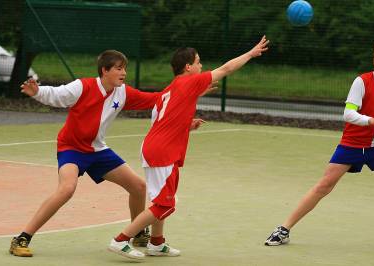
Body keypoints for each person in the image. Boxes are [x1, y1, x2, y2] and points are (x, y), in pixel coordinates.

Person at [107, 36, 269, 260]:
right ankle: (121, 240)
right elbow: (226, 68)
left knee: (160, 200)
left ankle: (156, 243)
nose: (201, 66)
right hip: (162, 151)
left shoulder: (173, 89)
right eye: (199, 62)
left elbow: (161, 116)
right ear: (188, 66)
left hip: (156, 147)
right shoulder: (188, 82)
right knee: (165, 205)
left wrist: (186, 125)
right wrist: (251, 54)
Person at [9, 50, 160, 257]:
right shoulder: (83, 86)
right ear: (104, 71)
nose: (124, 72)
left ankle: (139, 233)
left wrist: (188, 91)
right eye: (118, 68)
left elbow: (156, 99)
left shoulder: (122, 92)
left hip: (98, 150)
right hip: (71, 149)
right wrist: (37, 92)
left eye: (124, 68)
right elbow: (57, 95)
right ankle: (22, 238)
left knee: (139, 187)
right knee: (67, 189)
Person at [265, 42, 374, 246]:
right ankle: (284, 230)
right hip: (353, 143)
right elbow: (348, 113)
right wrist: (370, 120)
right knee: (324, 185)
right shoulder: (362, 81)